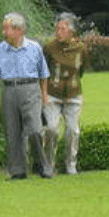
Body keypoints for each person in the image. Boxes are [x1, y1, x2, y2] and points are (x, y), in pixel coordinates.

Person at [0, 12, 54, 179]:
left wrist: (44, 96)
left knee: (35, 130)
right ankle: (17, 170)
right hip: (9, 90)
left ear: (19, 30)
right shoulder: (0, 49)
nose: (3, 32)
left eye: (6, 28)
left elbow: (44, 74)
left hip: (30, 89)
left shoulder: (34, 48)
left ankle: (42, 165)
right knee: (12, 132)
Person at [42, 12, 90, 174]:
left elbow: (81, 70)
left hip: (74, 95)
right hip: (52, 94)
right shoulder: (49, 47)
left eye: (62, 29)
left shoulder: (81, 49)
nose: (58, 32)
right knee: (52, 129)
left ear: (72, 31)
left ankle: (71, 164)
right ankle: (49, 164)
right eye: (57, 28)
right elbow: (44, 70)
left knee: (72, 130)